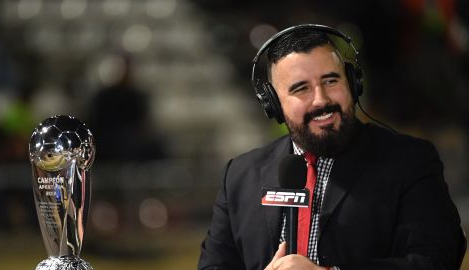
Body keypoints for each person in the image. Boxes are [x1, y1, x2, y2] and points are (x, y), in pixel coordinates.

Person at [198, 24, 466, 270]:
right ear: (274, 104)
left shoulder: (409, 162)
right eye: (301, 88)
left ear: (352, 82)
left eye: (331, 81)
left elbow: (434, 261)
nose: (321, 100)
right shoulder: (240, 175)